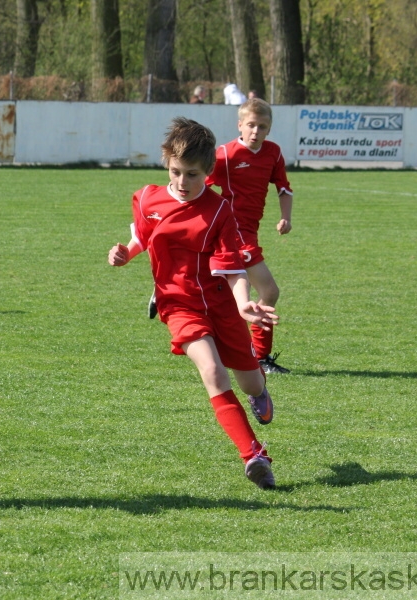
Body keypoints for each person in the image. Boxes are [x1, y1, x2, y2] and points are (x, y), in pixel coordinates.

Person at [108, 117, 278, 490]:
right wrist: (125, 254)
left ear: (208, 172)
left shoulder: (218, 211)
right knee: (212, 372)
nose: (182, 182)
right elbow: (143, 238)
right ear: (166, 163)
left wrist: (244, 304)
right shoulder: (148, 198)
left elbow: (232, 270)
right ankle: (254, 455)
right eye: (176, 172)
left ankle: (259, 390)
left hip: (221, 303)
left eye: (192, 175)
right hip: (178, 303)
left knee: (249, 382)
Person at [205, 98, 294, 375]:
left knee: (224, 294)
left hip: (250, 232)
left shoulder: (273, 153)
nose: (256, 131)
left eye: (262, 126)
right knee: (269, 292)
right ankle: (259, 357)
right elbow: (200, 187)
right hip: (234, 233)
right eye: (251, 125)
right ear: (240, 125)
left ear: (269, 129)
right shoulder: (225, 155)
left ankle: (170, 287)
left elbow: (284, 188)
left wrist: (286, 217)